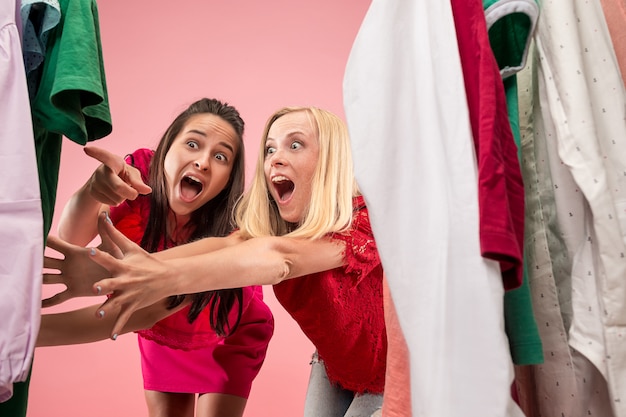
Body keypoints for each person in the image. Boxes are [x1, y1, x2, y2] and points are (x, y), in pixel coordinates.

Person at [43, 106, 387, 417]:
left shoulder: (364, 222)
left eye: (294, 145)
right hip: (335, 366)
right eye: (270, 149)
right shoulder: (278, 224)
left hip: (391, 374)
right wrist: (107, 270)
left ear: (332, 159)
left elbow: (283, 259)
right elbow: (223, 246)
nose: (275, 160)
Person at [38, 98, 274, 417]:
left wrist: (21, 334)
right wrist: (93, 192)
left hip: (225, 325)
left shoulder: (234, 230)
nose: (203, 162)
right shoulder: (141, 176)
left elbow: (144, 313)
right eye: (192, 143)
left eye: (220, 157)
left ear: (228, 179)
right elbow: (71, 238)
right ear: (166, 147)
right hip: (165, 332)